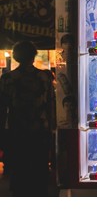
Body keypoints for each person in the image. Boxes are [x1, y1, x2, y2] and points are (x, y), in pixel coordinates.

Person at [0, 41, 56, 197]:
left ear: (16, 57)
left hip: (17, 130)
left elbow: (2, 109)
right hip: (40, 129)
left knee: (19, 170)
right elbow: (51, 104)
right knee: (39, 169)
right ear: (34, 56)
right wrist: (53, 129)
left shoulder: (7, 79)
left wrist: (2, 134)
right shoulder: (45, 76)